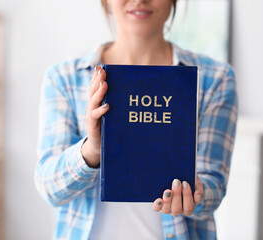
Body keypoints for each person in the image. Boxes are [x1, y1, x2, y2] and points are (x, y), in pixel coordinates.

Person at [35, 0, 238, 239]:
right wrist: (91, 150)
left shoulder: (214, 79)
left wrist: (195, 194)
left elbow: (213, 186)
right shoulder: (64, 78)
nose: (140, 0)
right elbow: (50, 188)